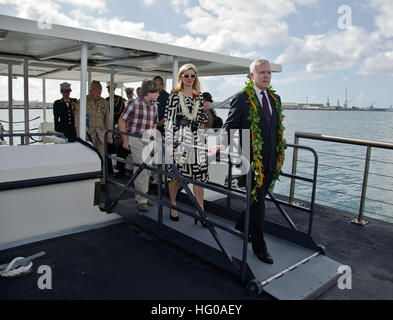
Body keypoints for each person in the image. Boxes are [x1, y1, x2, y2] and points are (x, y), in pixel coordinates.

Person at [210, 59, 284, 264]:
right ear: (252, 76)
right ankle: (259, 245)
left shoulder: (275, 98)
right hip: (250, 161)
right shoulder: (242, 98)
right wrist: (221, 144)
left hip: (271, 159)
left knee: (257, 198)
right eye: (261, 73)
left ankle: (242, 225)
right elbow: (229, 124)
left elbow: (274, 128)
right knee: (259, 202)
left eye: (268, 72)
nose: (266, 76)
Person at [164, 63, 208, 222]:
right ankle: (173, 203)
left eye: (193, 75)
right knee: (175, 175)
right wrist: (169, 142)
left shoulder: (199, 95)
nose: (190, 78)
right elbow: (169, 119)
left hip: (197, 139)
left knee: (199, 175)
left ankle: (200, 209)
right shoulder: (175, 95)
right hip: (179, 139)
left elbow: (202, 117)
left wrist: (201, 133)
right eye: (186, 75)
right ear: (181, 77)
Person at [118, 80, 159, 212]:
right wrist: (125, 140)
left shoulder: (154, 106)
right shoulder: (134, 104)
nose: (159, 94)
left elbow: (154, 123)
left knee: (147, 169)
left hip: (148, 140)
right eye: (157, 92)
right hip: (136, 139)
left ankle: (143, 195)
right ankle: (141, 199)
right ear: (150, 92)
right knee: (141, 167)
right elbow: (122, 119)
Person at [74, 80, 113, 177]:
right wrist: (80, 136)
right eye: (96, 91)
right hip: (88, 135)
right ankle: (89, 179)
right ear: (91, 90)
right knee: (89, 158)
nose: (98, 93)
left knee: (102, 158)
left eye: (100, 91)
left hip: (101, 134)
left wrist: (109, 136)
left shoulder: (104, 102)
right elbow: (78, 120)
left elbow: (107, 120)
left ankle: (102, 181)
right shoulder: (83, 101)